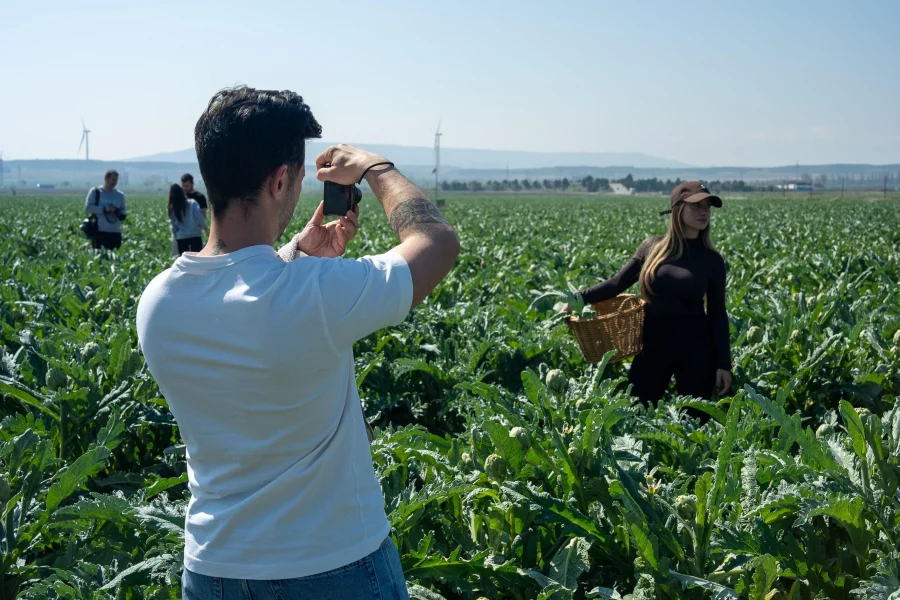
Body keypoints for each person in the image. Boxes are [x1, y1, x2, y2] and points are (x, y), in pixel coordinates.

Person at [136, 86, 459, 600]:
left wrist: (293, 254)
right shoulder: (316, 297)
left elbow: (243, 297)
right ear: (280, 180)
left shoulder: (157, 304)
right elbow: (438, 242)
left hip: (213, 569)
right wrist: (377, 169)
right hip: (333, 567)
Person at [570, 181, 732, 413]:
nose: (704, 212)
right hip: (652, 348)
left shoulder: (711, 260)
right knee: (635, 414)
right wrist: (577, 299)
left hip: (697, 351)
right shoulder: (652, 248)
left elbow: (717, 313)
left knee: (694, 426)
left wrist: (724, 364)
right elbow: (617, 284)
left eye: (707, 206)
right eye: (696, 205)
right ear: (678, 208)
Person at [84, 169, 127, 250]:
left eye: (116, 180)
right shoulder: (96, 192)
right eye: (113, 180)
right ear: (106, 179)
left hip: (115, 232)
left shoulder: (119, 195)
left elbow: (124, 212)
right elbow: (88, 208)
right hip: (99, 232)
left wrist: (117, 212)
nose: (115, 182)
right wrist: (104, 209)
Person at [167, 183, 209, 255]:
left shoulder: (172, 208)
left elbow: (173, 226)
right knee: (197, 261)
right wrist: (205, 229)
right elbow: (199, 218)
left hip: (181, 238)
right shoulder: (192, 203)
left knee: (185, 263)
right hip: (195, 236)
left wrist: (176, 236)